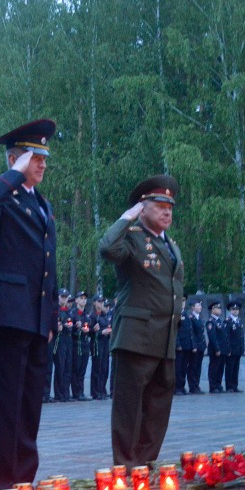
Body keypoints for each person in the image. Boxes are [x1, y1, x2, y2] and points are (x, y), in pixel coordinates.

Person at [0, 119, 59, 490]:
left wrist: (52, 318)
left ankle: (24, 480)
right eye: (33, 156)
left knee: (29, 405)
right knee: (5, 405)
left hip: (37, 319)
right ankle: (1, 486)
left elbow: (47, 266)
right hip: (7, 315)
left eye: (43, 157)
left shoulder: (42, 205)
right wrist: (13, 173)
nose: (41, 163)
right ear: (14, 159)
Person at [99, 174, 185, 470]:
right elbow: (107, 248)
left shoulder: (171, 244)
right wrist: (126, 217)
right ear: (142, 207)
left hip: (164, 340)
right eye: (159, 205)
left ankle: (145, 465)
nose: (166, 212)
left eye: (170, 207)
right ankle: (124, 467)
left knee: (158, 408)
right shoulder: (133, 239)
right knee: (129, 409)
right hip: (136, 338)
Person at [70, 290, 93, 401]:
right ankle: (76, 392)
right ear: (76, 300)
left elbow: (90, 329)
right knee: (76, 368)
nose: (83, 300)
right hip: (76, 343)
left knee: (83, 369)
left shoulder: (87, 314)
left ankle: (81, 391)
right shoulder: (73, 313)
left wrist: (90, 330)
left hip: (85, 343)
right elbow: (69, 328)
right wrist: (75, 326)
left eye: (85, 299)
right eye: (81, 298)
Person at [89, 294, 112, 400]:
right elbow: (90, 332)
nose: (101, 303)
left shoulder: (105, 315)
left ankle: (102, 389)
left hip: (105, 342)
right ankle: (95, 391)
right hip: (97, 342)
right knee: (97, 367)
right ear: (94, 303)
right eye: (99, 301)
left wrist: (109, 332)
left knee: (104, 367)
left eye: (102, 301)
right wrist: (99, 332)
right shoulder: (92, 316)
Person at [52, 289, 73, 402]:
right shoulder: (56, 310)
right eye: (62, 296)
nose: (64, 299)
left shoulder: (69, 311)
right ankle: (59, 393)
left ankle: (65, 392)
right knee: (60, 366)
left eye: (65, 297)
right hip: (59, 340)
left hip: (68, 340)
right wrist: (58, 326)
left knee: (67, 366)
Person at [224, 300, 245, 393]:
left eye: (237, 309)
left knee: (236, 368)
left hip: (238, 349)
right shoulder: (228, 321)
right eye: (233, 309)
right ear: (230, 310)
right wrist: (228, 349)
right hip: (231, 349)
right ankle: (229, 386)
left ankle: (235, 385)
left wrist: (242, 347)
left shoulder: (239, 321)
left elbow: (241, 336)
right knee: (230, 368)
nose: (235, 311)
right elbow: (226, 337)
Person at [206, 301, 226, 393]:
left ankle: (218, 384)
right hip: (215, 350)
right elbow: (212, 337)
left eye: (220, 308)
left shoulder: (219, 321)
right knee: (214, 368)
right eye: (217, 308)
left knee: (220, 368)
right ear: (213, 309)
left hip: (222, 350)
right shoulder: (211, 321)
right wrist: (217, 349)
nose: (220, 310)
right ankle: (213, 386)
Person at [187, 299, 206, 394]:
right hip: (195, 347)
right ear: (193, 307)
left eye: (200, 305)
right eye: (198, 305)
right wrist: (194, 346)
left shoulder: (199, 318)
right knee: (192, 367)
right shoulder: (191, 318)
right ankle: (192, 387)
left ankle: (196, 385)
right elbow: (192, 333)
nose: (200, 307)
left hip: (201, 346)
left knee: (198, 367)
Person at [174, 299, 191, 395]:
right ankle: (176, 387)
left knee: (184, 368)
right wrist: (178, 344)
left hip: (187, 346)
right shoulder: (176, 314)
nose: (182, 304)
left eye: (184, 302)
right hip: (179, 346)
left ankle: (181, 386)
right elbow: (175, 330)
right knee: (178, 368)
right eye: (181, 301)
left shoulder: (186, 315)